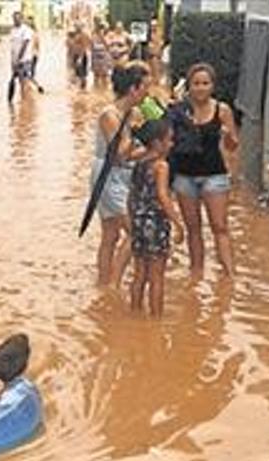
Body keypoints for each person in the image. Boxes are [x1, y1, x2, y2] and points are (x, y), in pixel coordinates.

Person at [167, 63, 239, 280]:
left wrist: (227, 136)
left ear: (213, 86)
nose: (200, 88)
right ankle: (196, 273)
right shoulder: (178, 110)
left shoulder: (222, 110)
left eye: (205, 83)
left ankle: (229, 275)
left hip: (214, 175)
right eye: (196, 83)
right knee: (193, 229)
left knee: (220, 226)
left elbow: (234, 146)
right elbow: (164, 136)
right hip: (184, 176)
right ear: (188, 86)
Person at [91, 61, 151, 287]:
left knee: (111, 234)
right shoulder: (110, 115)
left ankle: (103, 283)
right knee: (136, 232)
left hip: (124, 175)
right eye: (145, 87)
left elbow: (157, 130)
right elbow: (119, 154)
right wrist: (136, 131)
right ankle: (114, 284)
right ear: (134, 89)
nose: (148, 92)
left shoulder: (134, 111)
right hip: (108, 177)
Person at [128, 118, 184, 317]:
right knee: (157, 277)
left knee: (139, 274)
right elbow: (163, 196)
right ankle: (156, 321)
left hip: (138, 223)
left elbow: (132, 195)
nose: (172, 144)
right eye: (169, 140)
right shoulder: (161, 166)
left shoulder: (139, 163)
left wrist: (133, 218)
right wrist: (178, 223)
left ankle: (134, 313)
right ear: (157, 143)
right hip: (156, 224)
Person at [9, 11, 35, 101]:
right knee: (20, 81)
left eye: (18, 18)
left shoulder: (26, 30)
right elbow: (12, 47)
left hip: (25, 60)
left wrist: (19, 58)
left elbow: (25, 44)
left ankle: (25, 101)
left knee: (24, 81)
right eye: (14, 18)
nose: (16, 20)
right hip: (15, 61)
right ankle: (23, 100)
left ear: (22, 19)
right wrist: (13, 61)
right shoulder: (12, 30)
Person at [69, 23, 91, 88]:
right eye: (76, 26)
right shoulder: (76, 34)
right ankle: (79, 90)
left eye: (78, 27)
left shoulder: (83, 35)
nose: (76, 28)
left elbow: (84, 46)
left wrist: (80, 58)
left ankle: (82, 88)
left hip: (81, 56)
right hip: (76, 55)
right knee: (77, 73)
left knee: (82, 74)